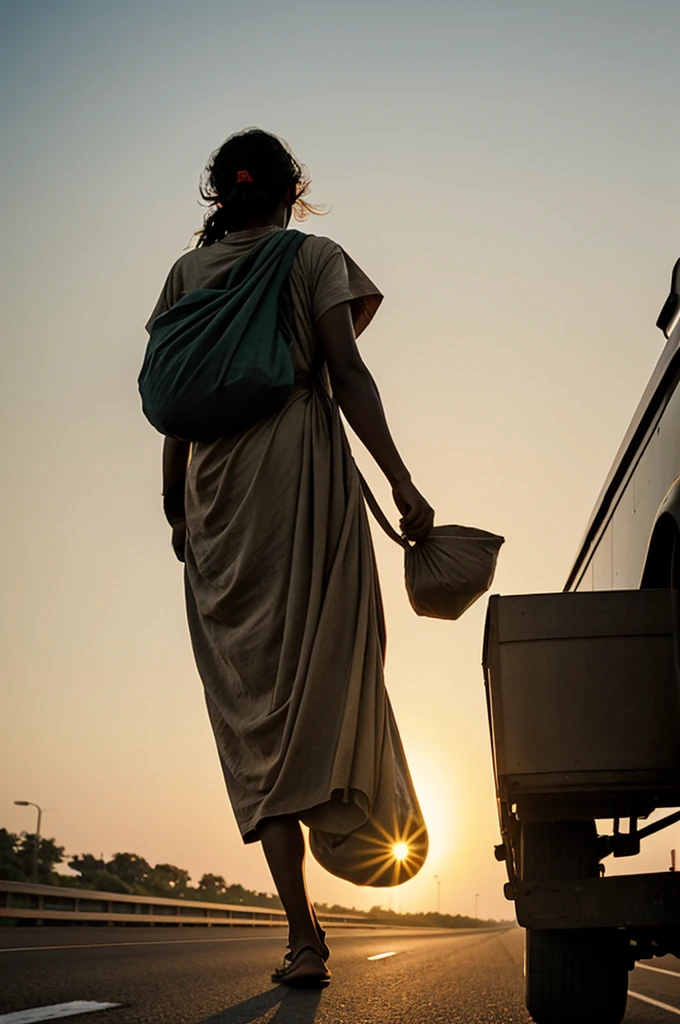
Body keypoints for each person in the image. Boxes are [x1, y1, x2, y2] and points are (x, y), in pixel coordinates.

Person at [145, 128, 434, 987]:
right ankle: (361, 820)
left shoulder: (185, 276)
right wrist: (402, 480)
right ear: (291, 189)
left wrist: (175, 509)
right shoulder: (313, 257)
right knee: (336, 674)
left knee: (254, 721)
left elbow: (172, 404)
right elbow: (346, 372)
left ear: (218, 194)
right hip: (300, 479)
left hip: (218, 505)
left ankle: (302, 935)